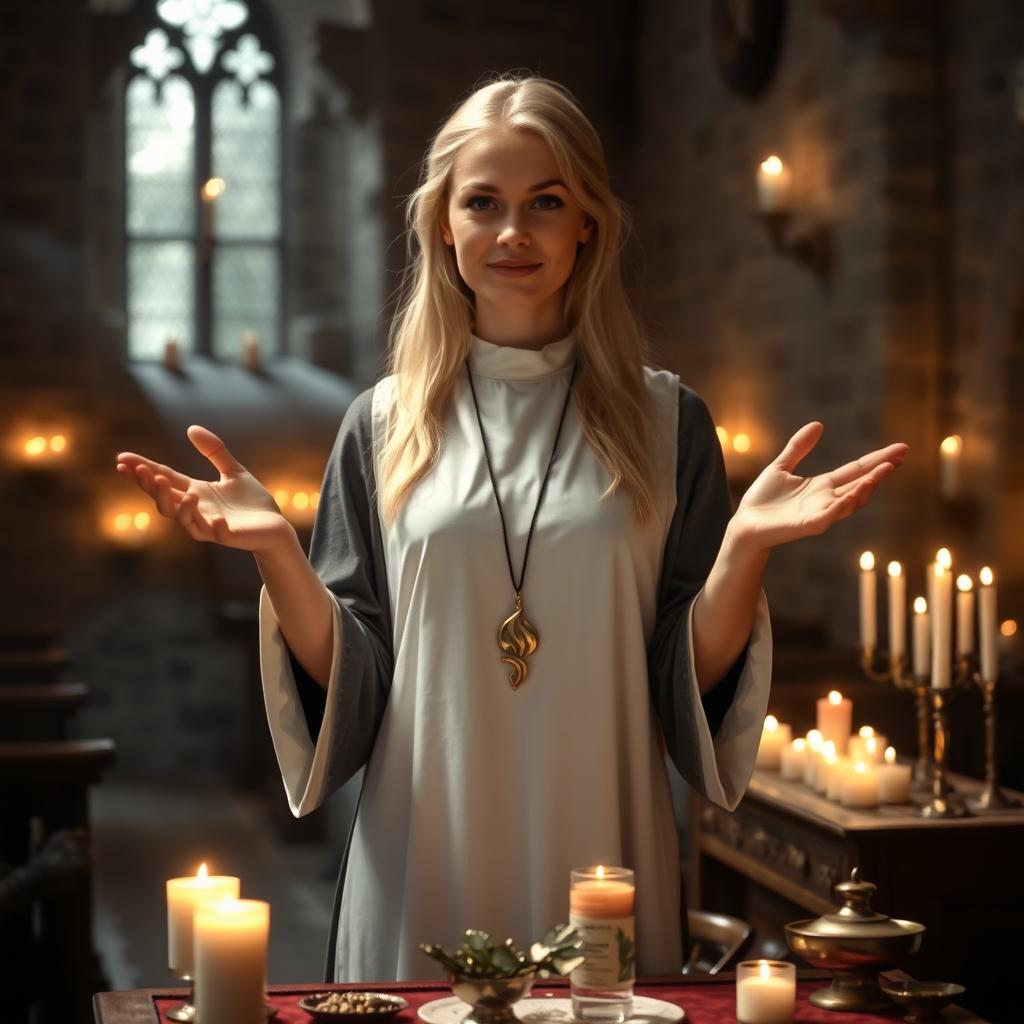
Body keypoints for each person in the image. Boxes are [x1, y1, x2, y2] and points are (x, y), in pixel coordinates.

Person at [115, 73, 907, 983]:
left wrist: (745, 551)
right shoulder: (380, 425)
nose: (512, 232)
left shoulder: (668, 421)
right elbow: (357, 681)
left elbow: (681, 676)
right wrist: (280, 555)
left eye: (545, 202)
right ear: (442, 225)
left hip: (601, 852)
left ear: (588, 226)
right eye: (482, 202)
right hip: (424, 844)